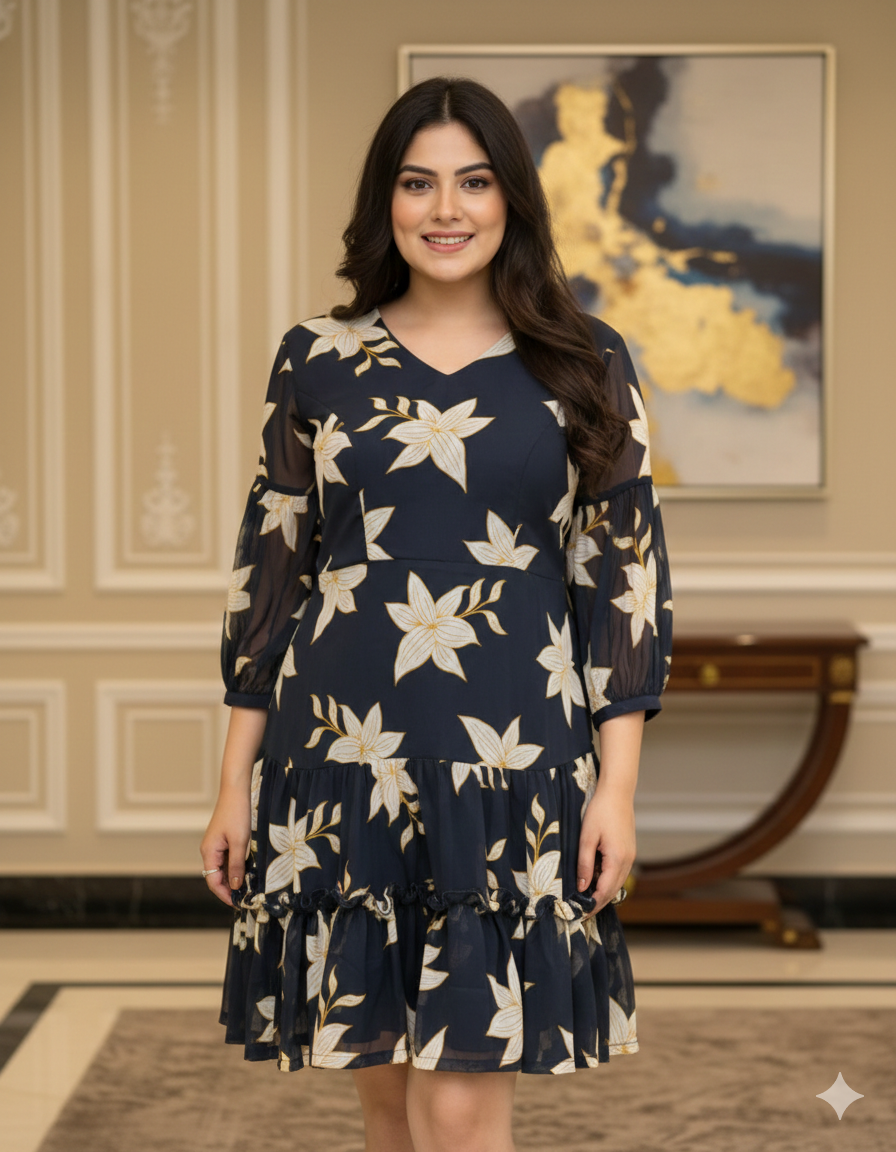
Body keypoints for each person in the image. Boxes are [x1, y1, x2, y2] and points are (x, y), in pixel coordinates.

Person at [201, 75, 672, 1152]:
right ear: (386, 201)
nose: (445, 209)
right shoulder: (315, 357)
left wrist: (618, 791)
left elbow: (622, 582)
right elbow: (268, 575)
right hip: (338, 756)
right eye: (418, 183)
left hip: (510, 764)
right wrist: (232, 783)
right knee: (381, 1095)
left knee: (462, 1093)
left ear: (511, 200)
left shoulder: (586, 359)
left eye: (473, 181)